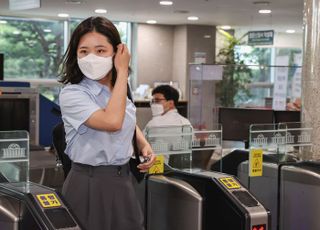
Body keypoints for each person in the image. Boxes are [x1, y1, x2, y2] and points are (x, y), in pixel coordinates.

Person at [58, 16, 156, 230]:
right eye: (84, 51)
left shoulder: (118, 89)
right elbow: (112, 121)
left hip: (123, 179)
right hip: (88, 181)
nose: (91, 57)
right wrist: (122, 72)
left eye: (100, 50)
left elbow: (125, 117)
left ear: (116, 51)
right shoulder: (73, 93)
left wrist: (142, 143)